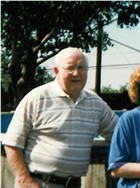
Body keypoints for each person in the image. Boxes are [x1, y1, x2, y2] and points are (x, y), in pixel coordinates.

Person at [2, 47, 119, 188]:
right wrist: (23, 179)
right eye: (70, 68)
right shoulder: (37, 98)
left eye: (81, 67)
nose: (76, 73)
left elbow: (121, 134)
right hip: (37, 184)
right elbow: (12, 143)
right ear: (57, 71)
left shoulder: (96, 104)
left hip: (74, 184)